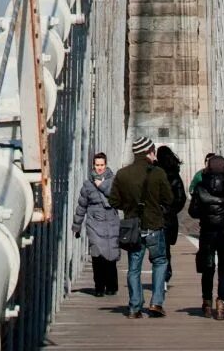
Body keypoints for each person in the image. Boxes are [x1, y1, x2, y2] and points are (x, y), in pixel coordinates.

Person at [110, 135, 173, 318]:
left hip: (133, 228)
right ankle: (156, 303)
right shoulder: (158, 172)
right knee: (160, 262)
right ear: (149, 152)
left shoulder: (122, 174)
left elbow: (113, 200)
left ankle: (134, 307)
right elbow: (169, 199)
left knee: (134, 267)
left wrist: (129, 207)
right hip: (154, 225)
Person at [188, 153, 224, 319]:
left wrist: (205, 212)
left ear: (208, 167)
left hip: (207, 233)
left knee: (208, 269)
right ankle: (222, 303)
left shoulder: (201, 186)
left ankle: (207, 303)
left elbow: (193, 211)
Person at [71, 150, 122, 296]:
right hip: (94, 222)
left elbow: (118, 198)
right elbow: (81, 206)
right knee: (97, 255)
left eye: (102, 165)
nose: (99, 167)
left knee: (111, 255)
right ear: (93, 165)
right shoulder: (87, 185)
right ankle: (99, 287)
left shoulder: (114, 182)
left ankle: (112, 286)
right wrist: (77, 225)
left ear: (106, 165)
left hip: (111, 221)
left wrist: (102, 185)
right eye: (97, 165)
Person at [155, 145, 187, 248]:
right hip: (169, 218)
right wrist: (171, 210)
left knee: (157, 253)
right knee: (165, 252)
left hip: (154, 216)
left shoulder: (153, 172)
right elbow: (181, 198)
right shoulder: (174, 175)